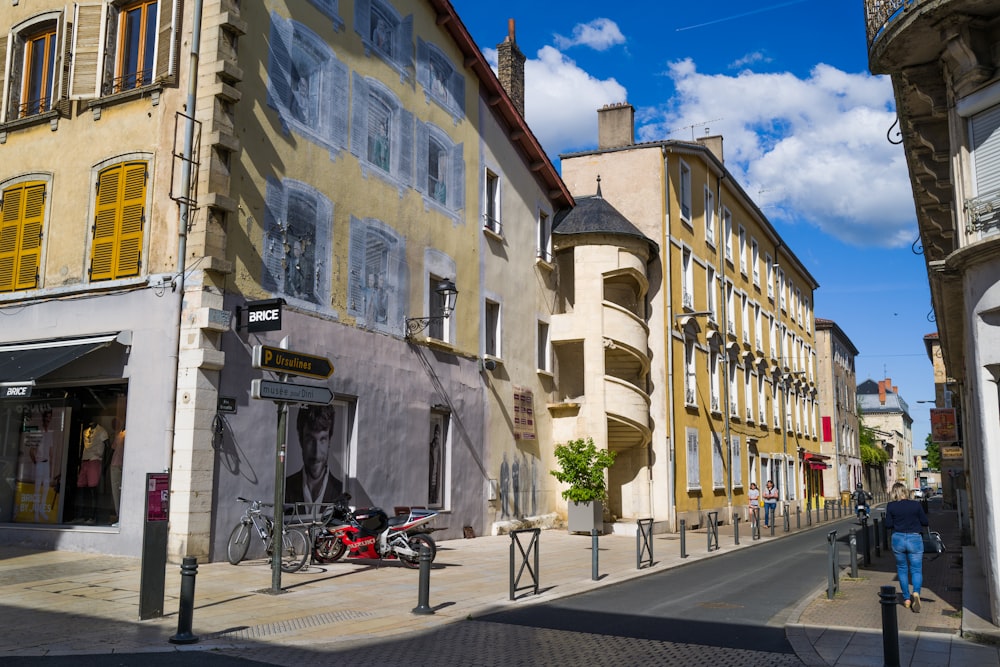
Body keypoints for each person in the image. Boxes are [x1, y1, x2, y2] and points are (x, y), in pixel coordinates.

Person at [286, 405, 343, 507]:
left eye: (322, 440)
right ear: (300, 440)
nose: (316, 453)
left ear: (329, 441)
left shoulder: (341, 491)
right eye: (310, 439)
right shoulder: (286, 488)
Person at [884, 481, 929, 612]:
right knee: (916, 569)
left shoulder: (891, 506)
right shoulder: (915, 505)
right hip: (914, 538)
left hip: (898, 538)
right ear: (905, 491)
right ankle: (916, 592)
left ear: (894, 493)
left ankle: (906, 599)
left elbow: (888, 524)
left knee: (902, 569)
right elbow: (925, 521)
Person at [77, 419, 109, 524]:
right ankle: (81, 515)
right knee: (81, 488)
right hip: (84, 460)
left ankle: (92, 516)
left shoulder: (102, 431)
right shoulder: (85, 431)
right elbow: (83, 446)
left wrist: (105, 463)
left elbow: (108, 446)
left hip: (95, 460)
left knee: (92, 489)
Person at [109, 424, 125, 524]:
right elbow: (113, 449)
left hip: (118, 464)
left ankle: (120, 515)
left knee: (117, 491)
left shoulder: (121, 434)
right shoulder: (120, 435)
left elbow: (112, 450)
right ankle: (120, 515)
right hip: (119, 464)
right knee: (118, 491)